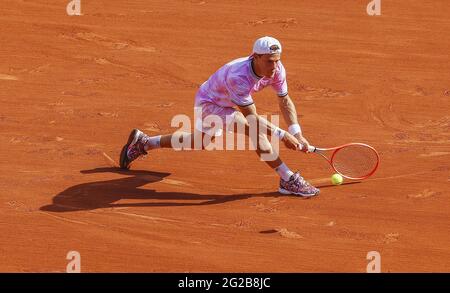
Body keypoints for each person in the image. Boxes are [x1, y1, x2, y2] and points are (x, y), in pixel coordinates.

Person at [119, 36, 319, 197]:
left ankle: (144, 142)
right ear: (255, 57)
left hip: (226, 102)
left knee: (198, 142)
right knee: (254, 130)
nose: (274, 67)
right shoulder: (238, 77)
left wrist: (297, 132)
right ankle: (287, 178)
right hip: (210, 102)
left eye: (277, 61)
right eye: (269, 62)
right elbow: (251, 118)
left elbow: (284, 100)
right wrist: (283, 135)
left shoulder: (277, 70)